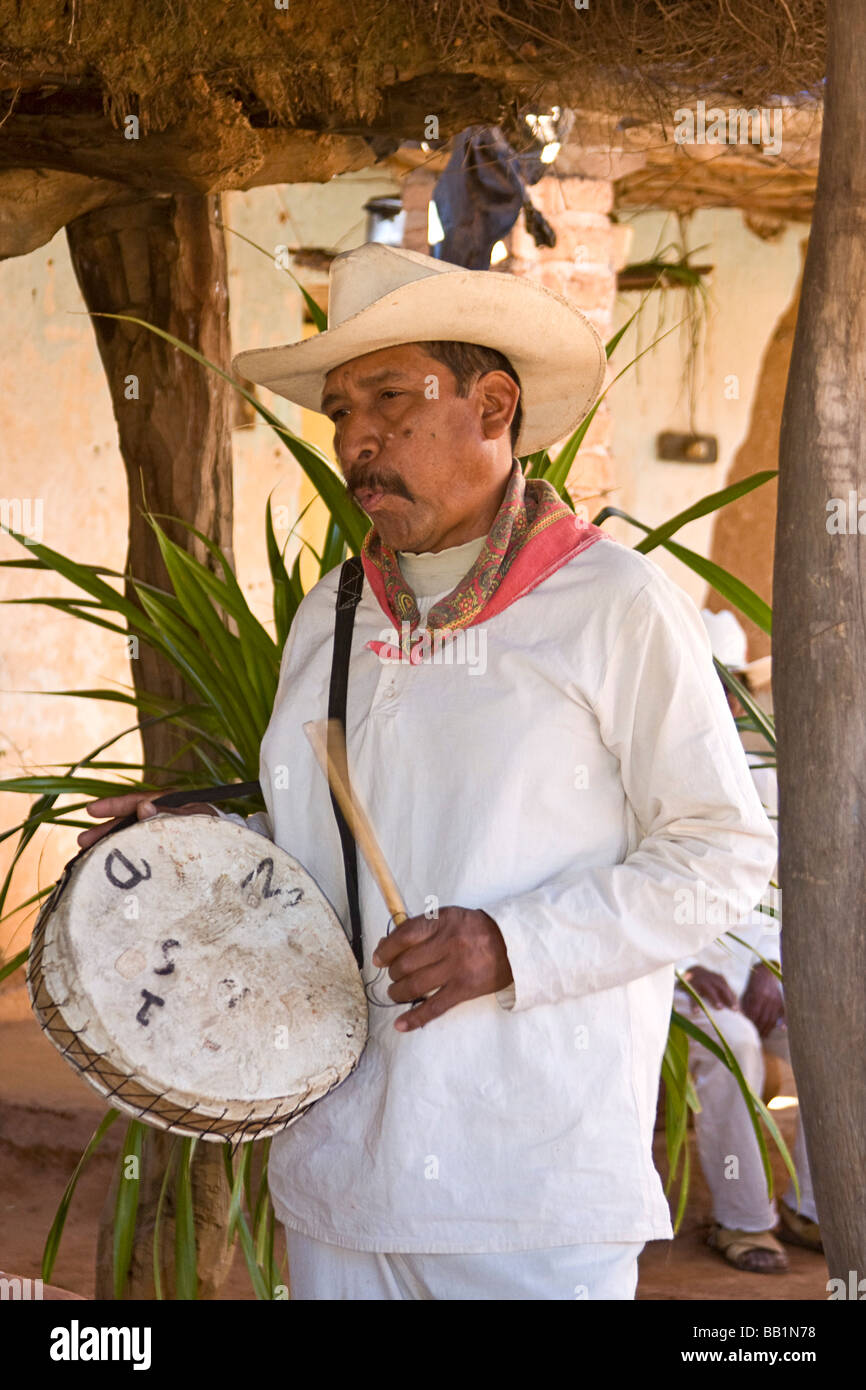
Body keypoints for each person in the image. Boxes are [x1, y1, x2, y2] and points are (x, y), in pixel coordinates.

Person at [79, 243, 778, 1301]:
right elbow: (320, 855)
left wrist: (511, 944)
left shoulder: (612, 606)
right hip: (337, 1174)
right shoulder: (333, 615)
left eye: (391, 400)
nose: (356, 438)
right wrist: (191, 850)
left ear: (493, 405)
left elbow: (719, 855)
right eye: (340, 411)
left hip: (525, 1184)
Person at [674, 610, 822, 1273]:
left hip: (767, 965)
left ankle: (814, 1210)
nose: (723, 699)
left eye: (729, 684)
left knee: (836, 1038)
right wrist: (684, 966)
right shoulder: (648, 768)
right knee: (730, 1043)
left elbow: (801, 885)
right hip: (677, 967)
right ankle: (743, 1221)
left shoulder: (770, 765)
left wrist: (774, 966)